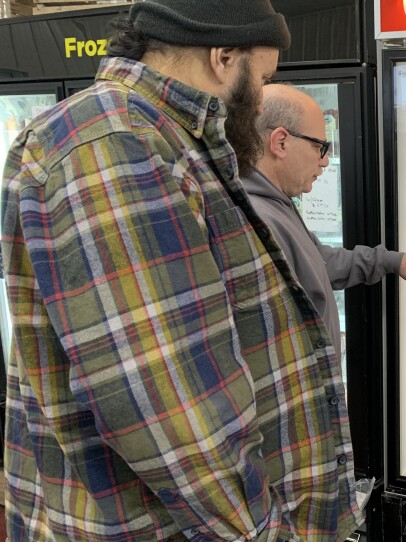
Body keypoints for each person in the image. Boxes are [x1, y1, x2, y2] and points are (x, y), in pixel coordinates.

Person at [1, 2, 360, 540]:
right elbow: (167, 412)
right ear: (222, 57)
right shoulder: (114, 144)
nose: (261, 99)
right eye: (262, 79)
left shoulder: (164, 140)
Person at [241, 84, 406, 353]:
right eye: (320, 147)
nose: (325, 161)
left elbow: (320, 263)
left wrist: (393, 261)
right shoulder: (257, 221)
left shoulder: (276, 204)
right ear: (280, 142)